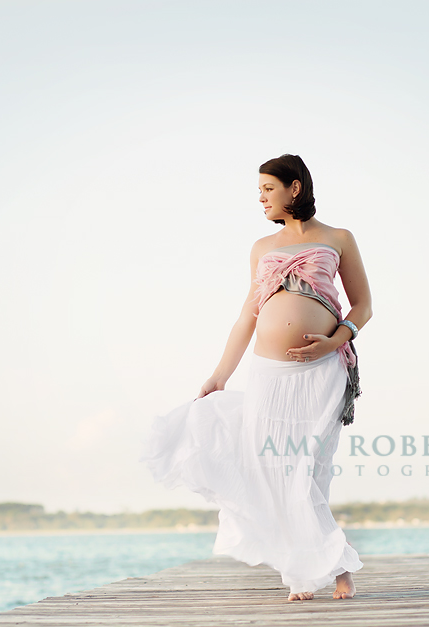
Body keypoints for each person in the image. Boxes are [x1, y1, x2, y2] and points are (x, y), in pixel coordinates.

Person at [140, 153, 373, 601]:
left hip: (322, 370)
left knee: (306, 472)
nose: (262, 199)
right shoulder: (262, 248)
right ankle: (309, 572)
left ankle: (333, 568)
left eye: (268, 189)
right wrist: (219, 375)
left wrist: (334, 340)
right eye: (260, 192)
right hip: (267, 374)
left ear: (295, 188)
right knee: (271, 471)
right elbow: (247, 316)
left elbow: (363, 304)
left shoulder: (339, 238)